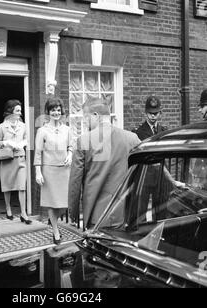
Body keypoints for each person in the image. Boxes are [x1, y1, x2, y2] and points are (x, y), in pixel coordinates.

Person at [68, 98, 140, 230]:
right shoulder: (132, 138)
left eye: (86, 117)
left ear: (95, 115)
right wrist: (174, 183)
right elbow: (153, 163)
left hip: (96, 216)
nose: (85, 122)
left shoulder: (83, 140)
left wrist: (73, 213)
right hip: (123, 215)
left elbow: (75, 182)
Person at [34, 97, 73, 245]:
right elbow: (38, 153)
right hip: (49, 170)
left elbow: (70, 146)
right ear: (48, 112)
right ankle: (56, 231)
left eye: (58, 110)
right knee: (52, 202)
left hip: (64, 170)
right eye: (52, 110)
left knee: (64, 203)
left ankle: (53, 221)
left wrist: (70, 155)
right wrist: (38, 172)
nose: (56, 113)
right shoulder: (42, 131)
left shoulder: (67, 129)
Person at [0, 99, 31, 224]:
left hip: (20, 159)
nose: (20, 113)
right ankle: (8, 208)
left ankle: (23, 213)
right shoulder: (1, 127)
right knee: (7, 185)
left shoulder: (23, 126)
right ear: (10, 112)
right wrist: (6, 143)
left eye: (20, 110)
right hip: (7, 160)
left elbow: (27, 139)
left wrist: (23, 143)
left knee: (22, 186)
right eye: (17, 110)